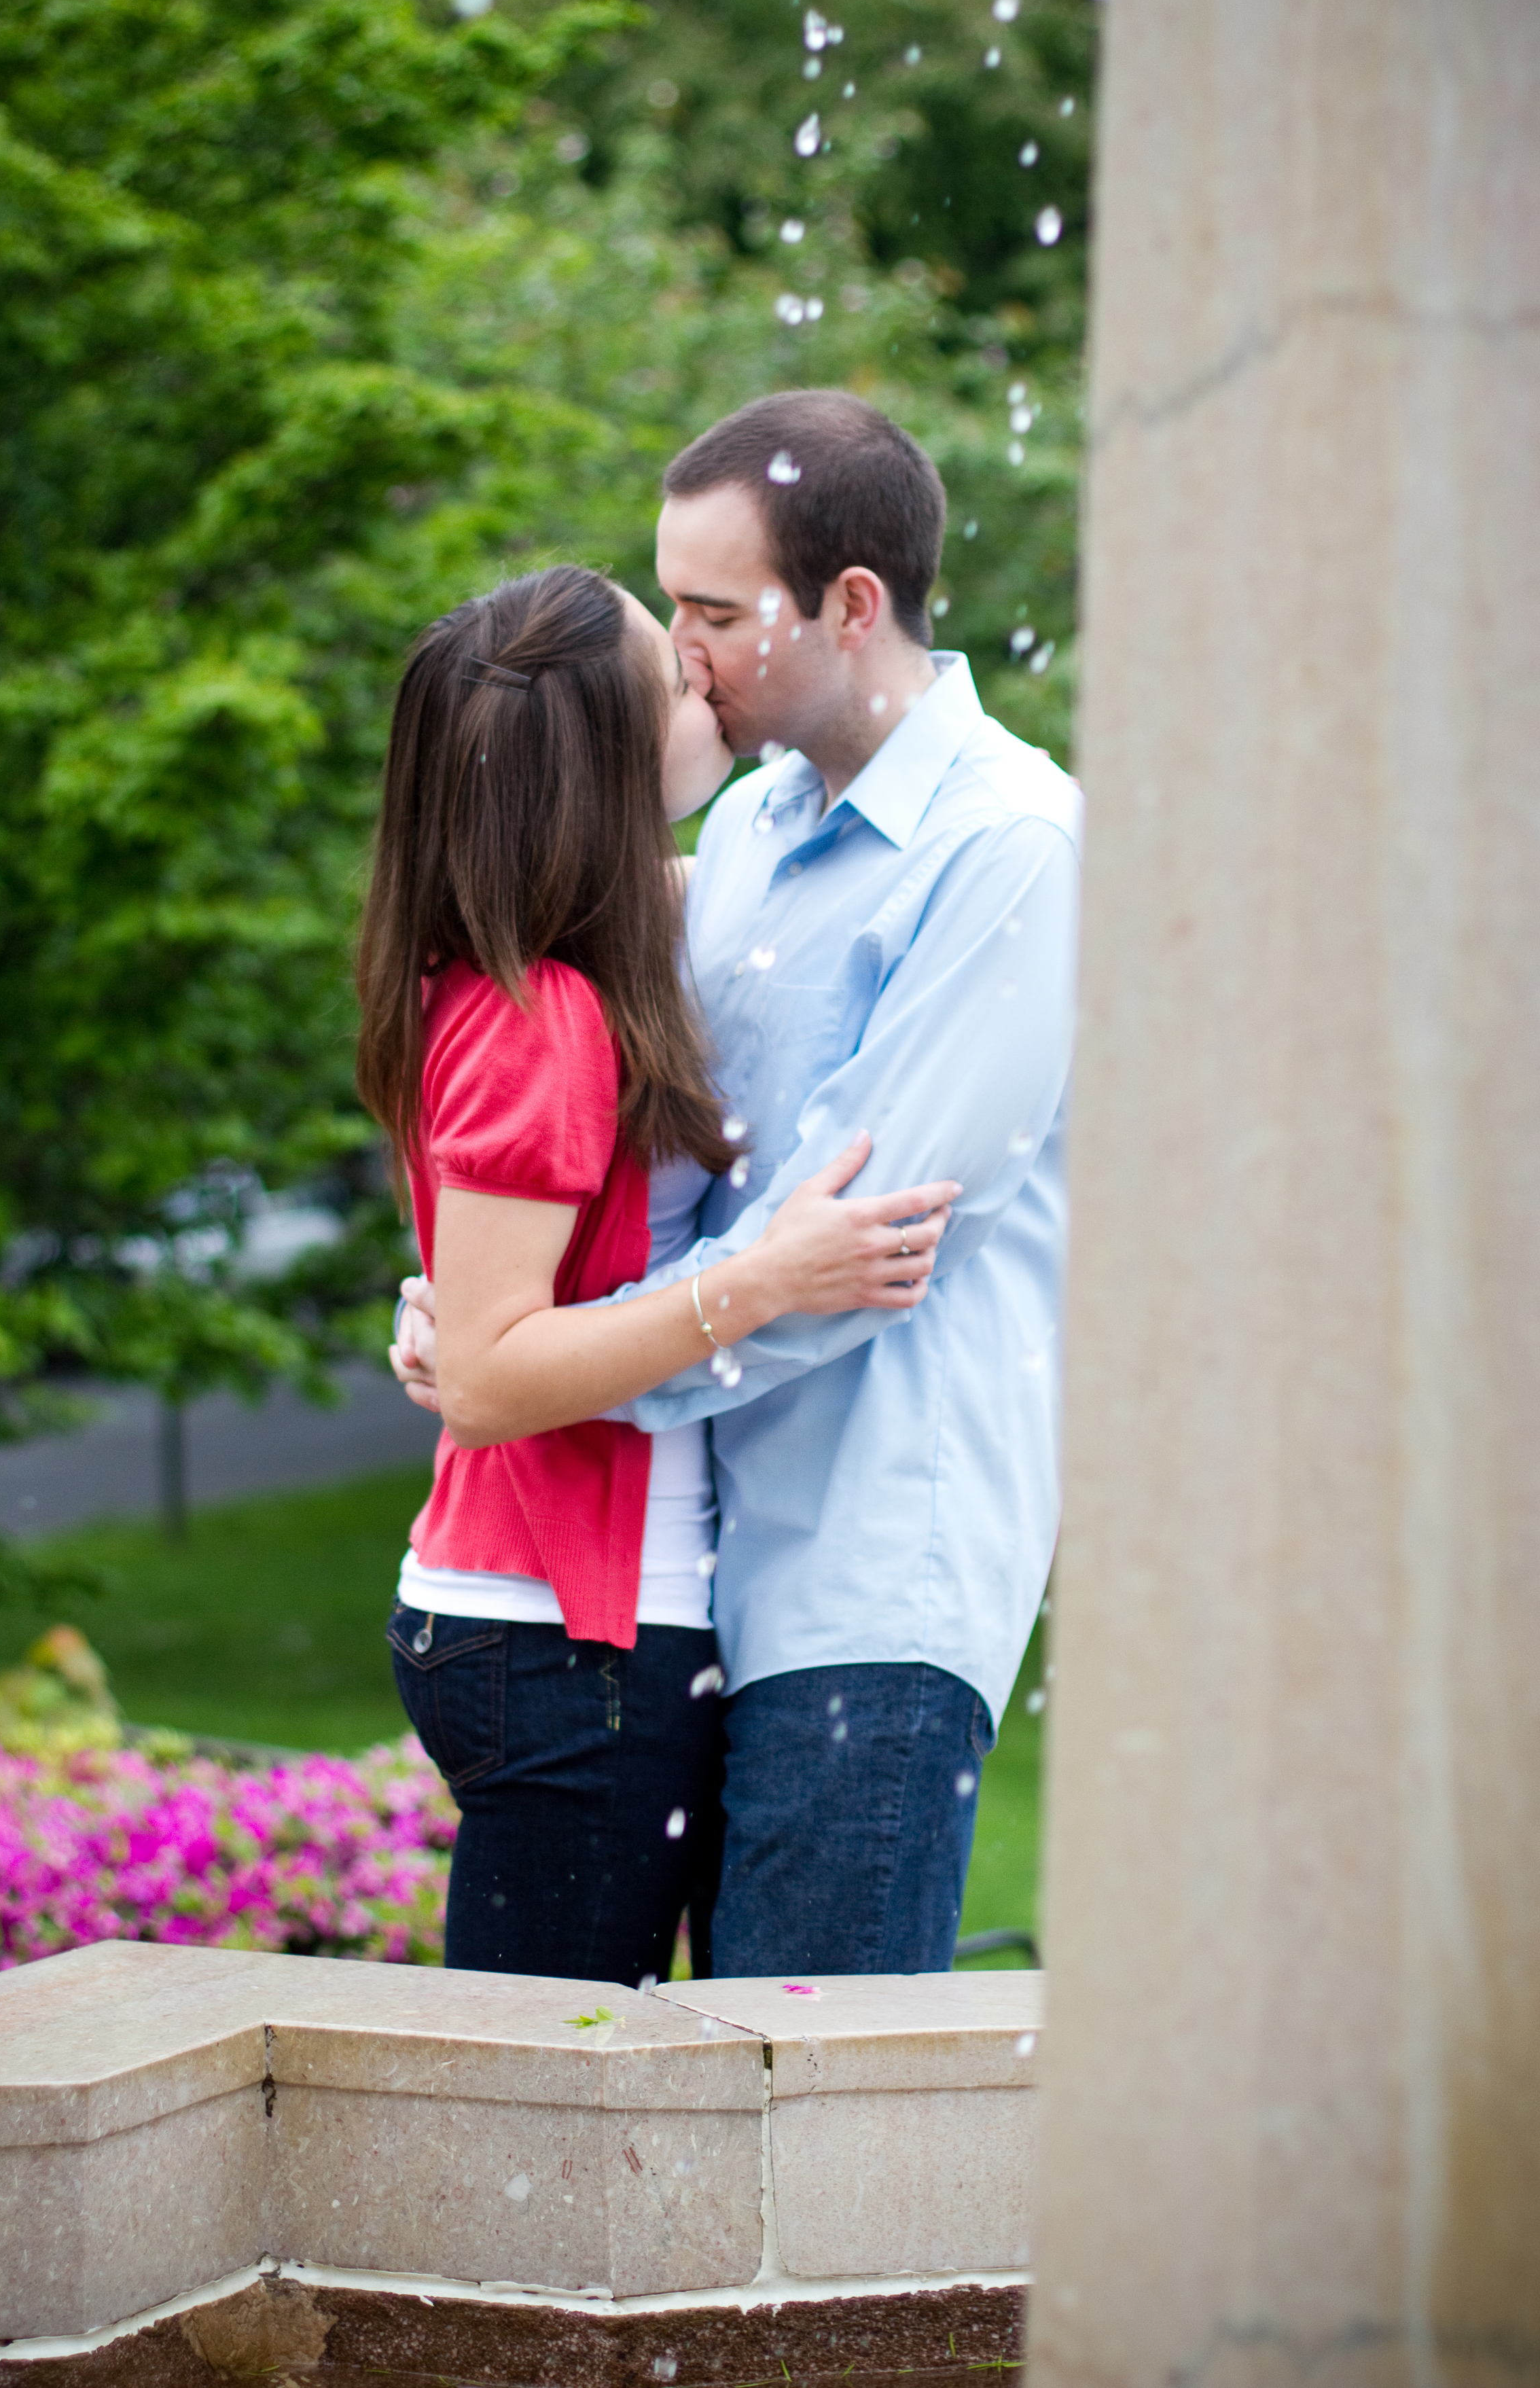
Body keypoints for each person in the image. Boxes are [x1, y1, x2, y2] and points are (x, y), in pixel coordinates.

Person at [395, 391, 1081, 1978]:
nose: (681, 658)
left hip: (865, 1582)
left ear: (849, 607)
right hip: (681, 1585)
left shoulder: (1012, 852)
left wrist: (532, 1372)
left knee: (803, 2112)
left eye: (711, 614)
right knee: (662, 2115)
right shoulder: (755, 830)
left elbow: (843, 1253)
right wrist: (481, 1309)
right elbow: (571, 1138)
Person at [353, 560, 960, 1989]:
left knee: (582, 2096)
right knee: (545, 2114)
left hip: (567, 1632)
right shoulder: (542, 1017)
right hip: (564, 1642)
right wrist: (768, 1278)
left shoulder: (553, 961)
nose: (705, 670)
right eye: (671, 676)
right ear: (606, 767)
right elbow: (495, 1379)